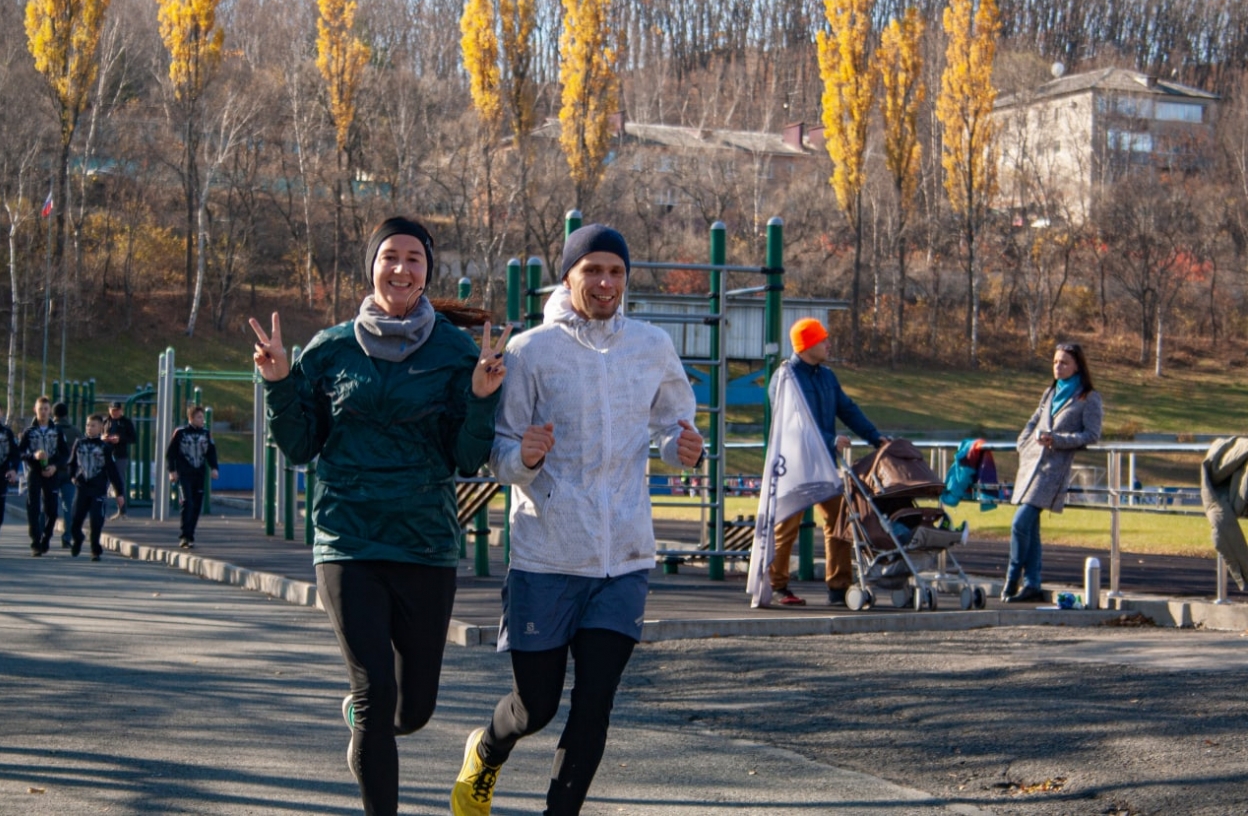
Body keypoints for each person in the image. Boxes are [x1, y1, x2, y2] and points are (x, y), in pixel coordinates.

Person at [250, 216, 511, 816]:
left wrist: (479, 397)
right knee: (374, 692)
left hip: (424, 542)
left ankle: (366, 727)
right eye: (390, 256)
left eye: (414, 258)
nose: (401, 268)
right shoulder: (331, 348)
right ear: (371, 267)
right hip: (349, 539)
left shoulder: (454, 350)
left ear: (427, 270)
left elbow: (466, 454)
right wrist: (279, 383)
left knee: (412, 710)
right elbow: (299, 444)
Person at [450, 224, 704, 816]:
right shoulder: (530, 351)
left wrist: (681, 448)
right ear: (568, 276)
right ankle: (487, 750)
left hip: (626, 559)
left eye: (616, 271)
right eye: (592, 270)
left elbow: (673, 428)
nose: (606, 282)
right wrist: (528, 455)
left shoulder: (650, 346)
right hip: (548, 557)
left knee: (595, 704)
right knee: (535, 707)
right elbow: (500, 456)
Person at [767, 318, 885, 607]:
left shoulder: (827, 376)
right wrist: (829, 440)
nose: (828, 344)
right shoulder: (785, 377)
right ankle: (776, 586)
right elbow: (792, 424)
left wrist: (875, 438)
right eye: (823, 340)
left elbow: (847, 409)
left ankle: (839, 587)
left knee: (841, 520)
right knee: (786, 527)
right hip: (794, 466)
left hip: (821, 464)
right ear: (807, 344)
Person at [1005, 341, 1103, 602]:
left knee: (1020, 523)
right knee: (1031, 529)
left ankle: (1012, 578)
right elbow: (1033, 420)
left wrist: (1057, 439)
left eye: (1064, 363)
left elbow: (1091, 435)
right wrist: (1023, 444)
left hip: (1053, 470)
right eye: (1055, 362)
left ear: (1077, 366)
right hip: (1031, 465)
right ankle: (1032, 583)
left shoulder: (1088, 398)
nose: (1058, 367)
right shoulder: (1050, 393)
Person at [67, 413, 126, 561]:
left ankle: (95, 550)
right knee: (75, 520)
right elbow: (72, 464)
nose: (89, 428)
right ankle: (78, 539)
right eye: (88, 425)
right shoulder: (79, 444)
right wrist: (72, 476)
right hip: (82, 487)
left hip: (98, 489)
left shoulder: (105, 448)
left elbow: (112, 471)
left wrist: (119, 492)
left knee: (96, 520)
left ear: (100, 428)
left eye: (93, 425)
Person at [20, 396, 69, 556]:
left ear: (50, 411)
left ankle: (46, 537)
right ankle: (35, 541)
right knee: (33, 507)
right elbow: (21, 452)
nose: (43, 412)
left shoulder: (57, 431)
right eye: (40, 409)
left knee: (52, 510)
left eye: (46, 409)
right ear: (35, 410)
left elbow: (65, 453)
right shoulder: (29, 432)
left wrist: (55, 466)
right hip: (35, 472)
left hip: (52, 473)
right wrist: (34, 457)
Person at [165, 405, 220, 549]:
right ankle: (184, 535)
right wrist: (172, 470)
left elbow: (211, 452)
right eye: (199, 417)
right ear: (191, 418)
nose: (202, 420)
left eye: (203, 417)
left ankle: (190, 535)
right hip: (184, 474)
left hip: (199, 474)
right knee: (187, 502)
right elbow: (171, 453)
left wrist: (214, 468)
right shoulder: (180, 433)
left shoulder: (206, 434)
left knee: (196, 506)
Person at [0, 400, 20, 557]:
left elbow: (15, 454)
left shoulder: (7, 433)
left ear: (1, 413)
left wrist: (13, 469)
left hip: (1, 477)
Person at [52, 402, 80, 547]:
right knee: (68, 506)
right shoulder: (74, 431)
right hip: (69, 473)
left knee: (48, 505)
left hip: (52, 472)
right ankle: (67, 538)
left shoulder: (51, 430)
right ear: (66, 414)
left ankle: (44, 535)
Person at [103, 400, 137, 519]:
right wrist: (104, 438)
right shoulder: (105, 422)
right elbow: (98, 435)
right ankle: (102, 509)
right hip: (105, 455)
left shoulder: (126, 422)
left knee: (120, 482)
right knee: (104, 481)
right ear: (109, 410)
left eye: (117, 410)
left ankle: (122, 510)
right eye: (113, 410)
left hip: (120, 455)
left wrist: (120, 439)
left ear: (121, 411)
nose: (115, 412)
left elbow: (133, 438)